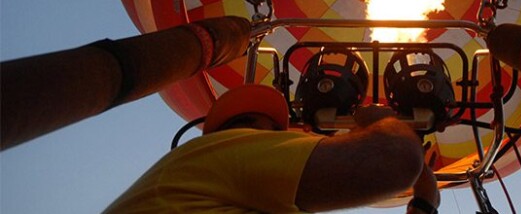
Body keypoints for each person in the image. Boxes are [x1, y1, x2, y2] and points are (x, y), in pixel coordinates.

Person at [104, 84, 440, 213]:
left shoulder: (238, 189)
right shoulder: (219, 153)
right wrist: (383, 122)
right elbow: (391, 161)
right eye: (278, 132)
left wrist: (424, 205)